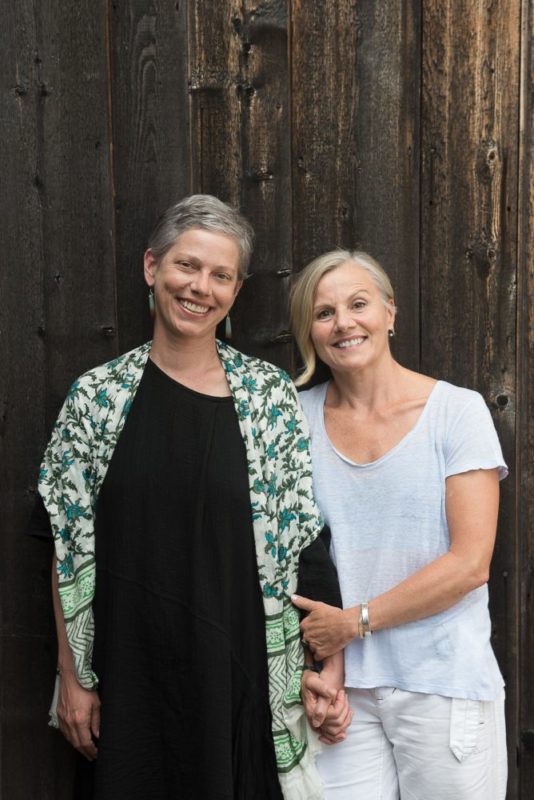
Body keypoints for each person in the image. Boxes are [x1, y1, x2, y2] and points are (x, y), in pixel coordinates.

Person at [34, 196, 351, 800]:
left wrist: (322, 665)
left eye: (220, 275)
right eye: (187, 266)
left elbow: (303, 542)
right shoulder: (96, 399)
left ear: (235, 290)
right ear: (152, 268)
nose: (200, 287)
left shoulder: (268, 398)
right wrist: (73, 680)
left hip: (240, 680)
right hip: (127, 683)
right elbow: (64, 546)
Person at [288, 249, 508, 800]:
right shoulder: (294, 418)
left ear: (389, 312)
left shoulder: (457, 413)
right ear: (309, 333)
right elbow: (292, 552)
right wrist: (322, 669)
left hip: (441, 684)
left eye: (358, 304)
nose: (343, 322)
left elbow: (469, 564)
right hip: (342, 696)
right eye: (323, 312)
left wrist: (354, 623)